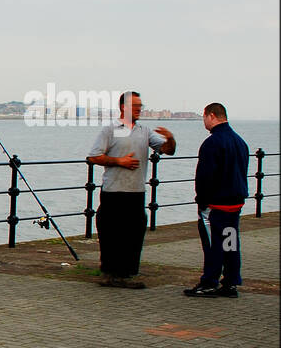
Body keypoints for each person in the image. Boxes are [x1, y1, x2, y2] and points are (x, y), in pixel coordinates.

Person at [85, 91, 176, 288]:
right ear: (123, 107)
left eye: (140, 105)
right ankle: (110, 273)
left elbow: (167, 150)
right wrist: (119, 161)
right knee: (111, 233)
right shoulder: (111, 129)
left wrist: (170, 139)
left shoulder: (144, 131)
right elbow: (94, 156)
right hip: (114, 190)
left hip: (136, 191)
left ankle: (127, 272)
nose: (139, 109)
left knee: (134, 233)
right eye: (135, 106)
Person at [184, 102, 250, 298]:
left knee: (213, 243)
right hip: (235, 202)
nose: (203, 121)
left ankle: (210, 282)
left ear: (211, 116)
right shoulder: (240, 141)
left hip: (216, 205)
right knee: (230, 242)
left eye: (204, 117)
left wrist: (201, 200)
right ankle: (230, 282)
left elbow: (205, 176)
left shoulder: (212, 143)